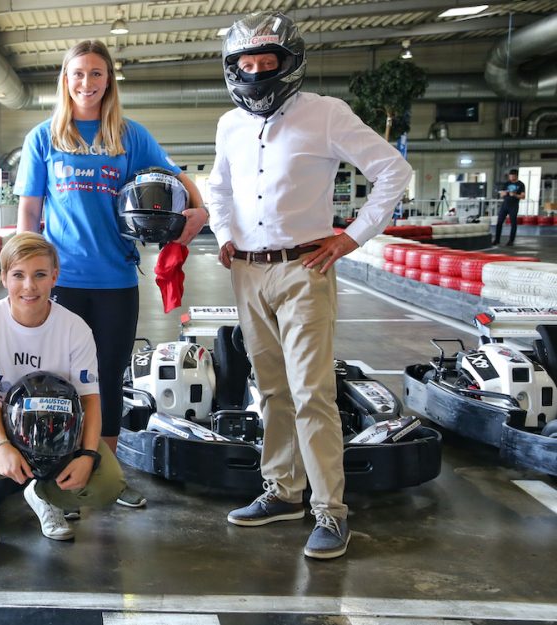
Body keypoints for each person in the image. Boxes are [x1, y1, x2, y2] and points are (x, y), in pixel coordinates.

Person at [206, 11, 412, 560]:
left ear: (289, 64)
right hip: (246, 272)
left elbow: (393, 170)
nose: (254, 73)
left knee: (311, 392)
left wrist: (352, 237)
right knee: (271, 389)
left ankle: (330, 511)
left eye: (265, 63)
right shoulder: (230, 125)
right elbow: (218, 186)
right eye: (244, 64)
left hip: (305, 270)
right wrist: (224, 233)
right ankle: (283, 491)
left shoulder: (327, 115)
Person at [14, 40, 207, 509]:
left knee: (105, 377)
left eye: (96, 74)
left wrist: (197, 210)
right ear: (66, 79)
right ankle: (50, 472)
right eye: (78, 73)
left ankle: (106, 474)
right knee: (54, 378)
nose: (87, 83)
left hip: (116, 281)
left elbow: (175, 178)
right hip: (61, 282)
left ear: (108, 81)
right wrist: (25, 276)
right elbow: (29, 214)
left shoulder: (129, 136)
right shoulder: (45, 137)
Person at [0, 232, 125, 568]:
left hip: (59, 434)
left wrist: (87, 454)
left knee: (108, 482)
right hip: (3, 426)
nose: (29, 287)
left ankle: (43, 495)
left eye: (40, 275)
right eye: (18, 275)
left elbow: (92, 399)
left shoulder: (75, 328)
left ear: (55, 276)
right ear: (3, 277)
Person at [494, 169, 526, 246]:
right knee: (499, 222)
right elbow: (501, 194)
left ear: (516, 176)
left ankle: (511, 240)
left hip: (513, 206)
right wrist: (504, 193)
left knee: (513, 223)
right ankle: (497, 240)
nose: (511, 177)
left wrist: (514, 195)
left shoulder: (521, 184)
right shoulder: (506, 183)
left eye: (512, 176)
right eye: (510, 176)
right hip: (505, 205)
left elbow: (523, 196)